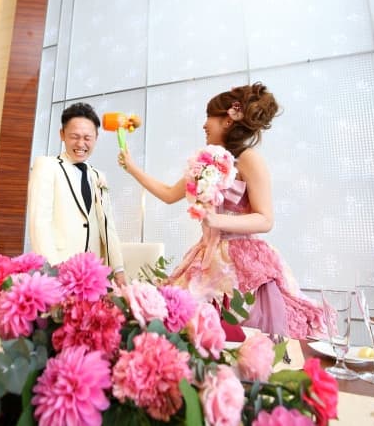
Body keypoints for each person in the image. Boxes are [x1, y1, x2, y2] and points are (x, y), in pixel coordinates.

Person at [118, 82, 324, 339]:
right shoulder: (206, 160)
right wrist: (132, 168)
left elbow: (265, 219)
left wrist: (215, 219)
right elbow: (170, 194)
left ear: (227, 120)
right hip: (206, 254)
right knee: (194, 333)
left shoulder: (249, 158)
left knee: (242, 334)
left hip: (241, 260)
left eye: (209, 117)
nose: (204, 125)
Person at [27, 102, 126, 286]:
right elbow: (39, 223)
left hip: (94, 274)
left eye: (87, 138)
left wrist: (118, 268)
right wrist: (52, 271)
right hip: (60, 270)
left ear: (96, 138)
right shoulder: (47, 166)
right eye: (74, 136)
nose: (81, 144)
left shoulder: (98, 176)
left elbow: (108, 226)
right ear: (62, 135)